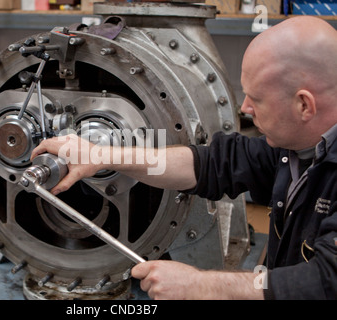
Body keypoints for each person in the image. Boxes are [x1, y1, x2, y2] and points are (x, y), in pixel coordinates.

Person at [31, 16, 337, 299]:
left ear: (304, 106)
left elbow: (323, 281)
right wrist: (103, 156)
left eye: (256, 99)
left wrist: (201, 285)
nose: (245, 108)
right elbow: (211, 164)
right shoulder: (295, 148)